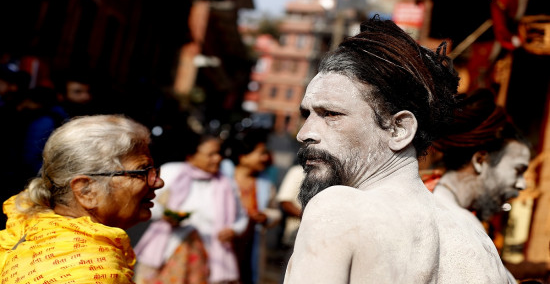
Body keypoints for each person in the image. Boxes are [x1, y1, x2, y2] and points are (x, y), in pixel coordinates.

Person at [283, 17, 513, 283]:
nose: (304, 133)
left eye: (331, 114)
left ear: (399, 129)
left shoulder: (338, 209)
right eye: (306, 114)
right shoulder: (479, 244)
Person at [0, 114, 164, 283]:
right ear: (86, 190)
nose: (158, 182)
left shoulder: (36, 227)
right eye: (143, 172)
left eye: (154, 170)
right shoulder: (94, 274)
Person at [430, 89, 531, 282]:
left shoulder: (447, 211)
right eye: (517, 170)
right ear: (480, 160)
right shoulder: (456, 227)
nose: (522, 184)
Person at [134, 133, 247, 284]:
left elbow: (241, 216)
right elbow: (145, 202)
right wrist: (165, 214)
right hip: (166, 251)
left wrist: (234, 230)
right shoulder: (172, 172)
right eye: (211, 154)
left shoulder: (226, 183)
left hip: (210, 257)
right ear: (191, 156)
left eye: (219, 153)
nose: (218, 158)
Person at [222, 129, 281, 284]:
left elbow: (275, 212)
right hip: (223, 240)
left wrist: (266, 216)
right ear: (243, 156)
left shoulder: (265, 184)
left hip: (248, 246)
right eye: (260, 153)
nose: (265, 158)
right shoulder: (222, 180)